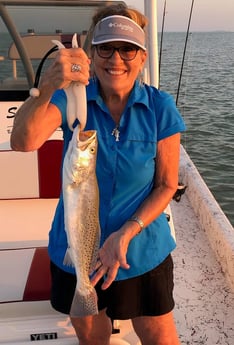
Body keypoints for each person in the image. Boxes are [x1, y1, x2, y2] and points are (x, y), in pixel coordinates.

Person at [11, 4, 185, 345]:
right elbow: (23, 141)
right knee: (91, 334)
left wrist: (126, 232)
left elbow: (166, 184)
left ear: (143, 58)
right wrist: (47, 86)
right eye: (106, 47)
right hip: (78, 248)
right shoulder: (72, 99)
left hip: (138, 249)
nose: (116, 58)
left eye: (127, 48)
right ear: (92, 54)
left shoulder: (161, 108)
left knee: (157, 334)